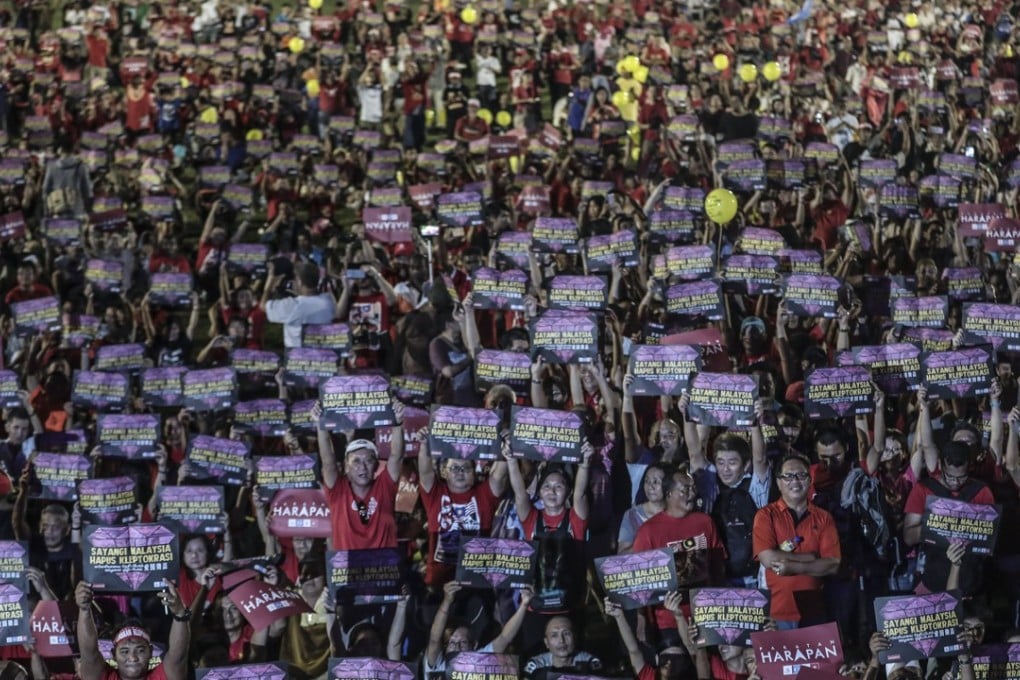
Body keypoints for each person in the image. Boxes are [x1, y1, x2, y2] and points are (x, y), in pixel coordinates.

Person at [753, 453, 841, 629]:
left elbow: (833, 564)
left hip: (814, 612)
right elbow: (768, 558)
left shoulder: (823, 517)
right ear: (778, 482)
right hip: (777, 612)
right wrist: (811, 558)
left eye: (801, 475)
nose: (795, 481)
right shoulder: (765, 515)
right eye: (788, 476)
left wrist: (793, 567)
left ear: (809, 481)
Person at [316, 400, 405, 550]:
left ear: (376, 465)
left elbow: (396, 455)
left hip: (382, 569)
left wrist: (398, 423)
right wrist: (321, 424)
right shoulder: (337, 490)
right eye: (356, 461)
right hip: (349, 569)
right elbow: (328, 461)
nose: (362, 467)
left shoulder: (385, 487)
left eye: (368, 461)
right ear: (346, 467)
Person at [75, 580, 190, 680]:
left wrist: (180, 614)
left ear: (150, 652)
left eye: (140, 650)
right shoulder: (105, 677)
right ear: (113, 654)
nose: (133, 658)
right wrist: (84, 609)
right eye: (124, 651)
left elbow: (178, 656)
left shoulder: (161, 676)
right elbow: (89, 653)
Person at [263, 261, 335, 348]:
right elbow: (310, 302)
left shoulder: (293, 305)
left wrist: (270, 280)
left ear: (299, 282)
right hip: (322, 358)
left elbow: (263, 306)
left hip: (296, 358)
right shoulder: (328, 302)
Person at [522, 615, 603, 679]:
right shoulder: (536, 665)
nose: (561, 640)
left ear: (575, 638)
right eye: (554, 635)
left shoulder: (590, 662)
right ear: (546, 643)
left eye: (566, 633)